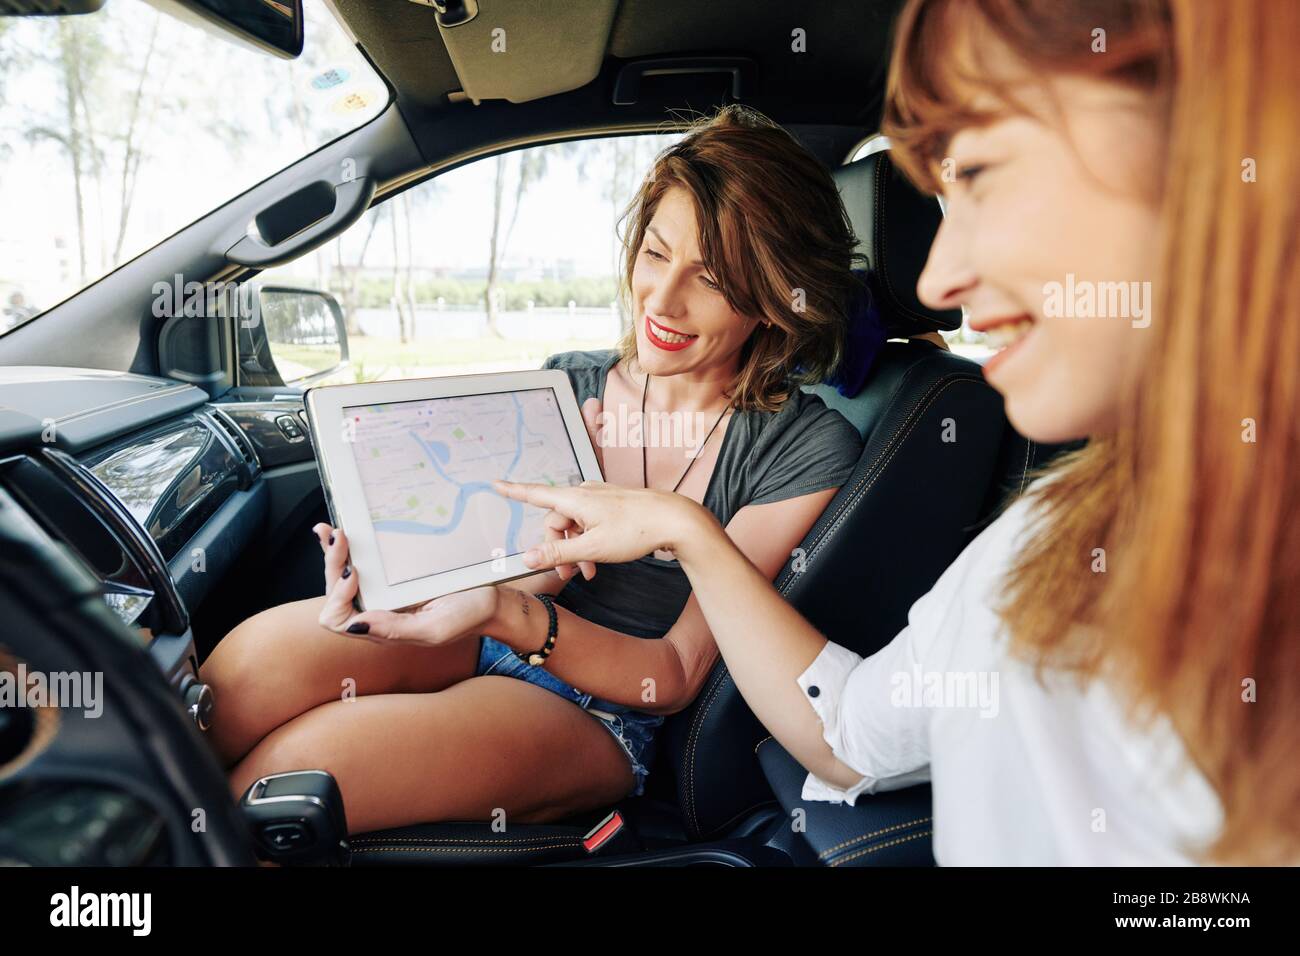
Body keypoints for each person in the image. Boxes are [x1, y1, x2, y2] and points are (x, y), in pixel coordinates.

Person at [495, 0, 1300, 864]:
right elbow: (849, 735)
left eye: (986, 178)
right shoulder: (1049, 535)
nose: (942, 278)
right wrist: (679, 528)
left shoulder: (831, 446)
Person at [202, 104, 868, 834]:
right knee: (241, 678)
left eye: (710, 279)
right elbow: (506, 581)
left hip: (597, 708)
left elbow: (675, 673)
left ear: (772, 297)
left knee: (290, 779)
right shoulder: (565, 385)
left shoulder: (802, 448)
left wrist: (505, 612)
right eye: (655, 254)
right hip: (480, 635)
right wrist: (403, 584)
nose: (662, 299)